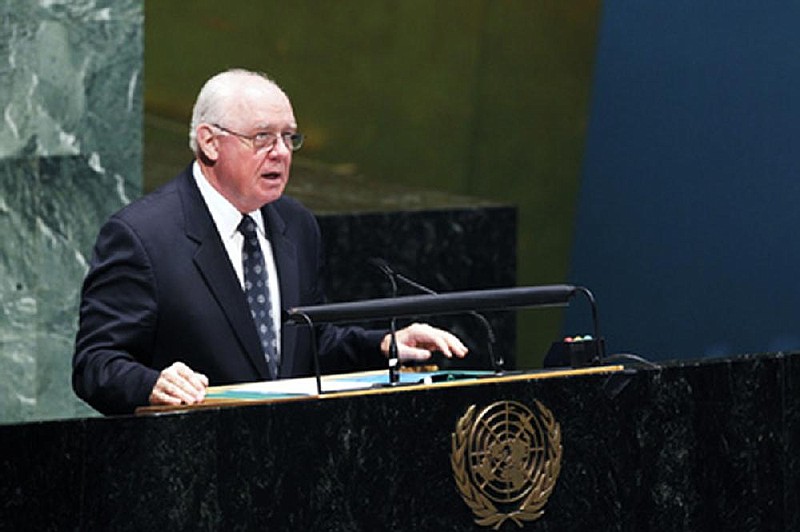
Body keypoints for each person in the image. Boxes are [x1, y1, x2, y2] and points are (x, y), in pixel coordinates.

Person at [72, 68, 467, 415]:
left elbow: (307, 343)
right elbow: (95, 364)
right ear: (210, 142)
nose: (280, 153)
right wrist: (152, 384)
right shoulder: (142, 236)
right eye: (262, 137)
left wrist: (385, 345)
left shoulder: (296, 225)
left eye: (289, 137)